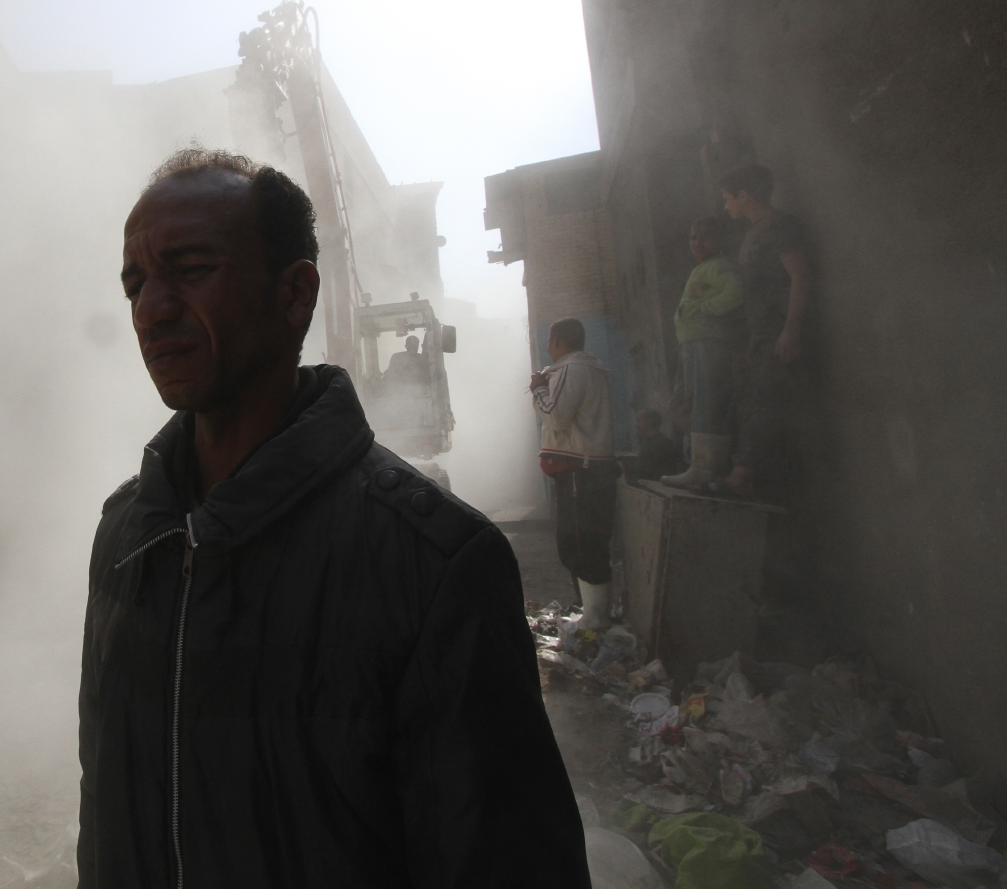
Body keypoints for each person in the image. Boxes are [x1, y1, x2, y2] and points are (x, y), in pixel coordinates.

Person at [80, 148, 589, 888]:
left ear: (295, 294)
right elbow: (103, 810)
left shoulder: (434, 563)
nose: (152, 309)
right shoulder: (126, 538)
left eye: (190, 270)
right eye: (136, 283)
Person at [713, 163, 813, 498]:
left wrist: (791, 329)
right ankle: (752, 477)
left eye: (728, 198)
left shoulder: (779, 227)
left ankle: (743, 475)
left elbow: (800, 276)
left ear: (744, 195)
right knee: (754, 401)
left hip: (780, 331)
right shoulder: (754, 232)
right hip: (763, 334)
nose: (726, 205)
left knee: (768, 402)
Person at [530, 318, 618, 630]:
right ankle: (590, 610)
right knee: (583, 543)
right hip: (586, 470)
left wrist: (539, 389)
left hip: (581, 471)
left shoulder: (572, 369)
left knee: (580, 545)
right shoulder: (587, 369)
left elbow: (555, 415)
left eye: (550, 341)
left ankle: (596, 618)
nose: (548, 347)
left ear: (558, 341)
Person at [661, 216, 744, 489]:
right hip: (690, 344)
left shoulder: (720, 266)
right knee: (680, 406)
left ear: (720, 239)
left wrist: (702, 308)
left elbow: (735, 295)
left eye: (704, 237)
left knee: (704, 405)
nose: (697, 243)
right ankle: (709, 456)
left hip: (707, 342)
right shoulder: (701, 269)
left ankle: (706, 468)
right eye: (693, 237)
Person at [628, 408, 685, 485]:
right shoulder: (649, 442)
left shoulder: (663, 444)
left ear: (649, 422)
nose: (636, 424)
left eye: (639, 420)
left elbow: (665, 474)